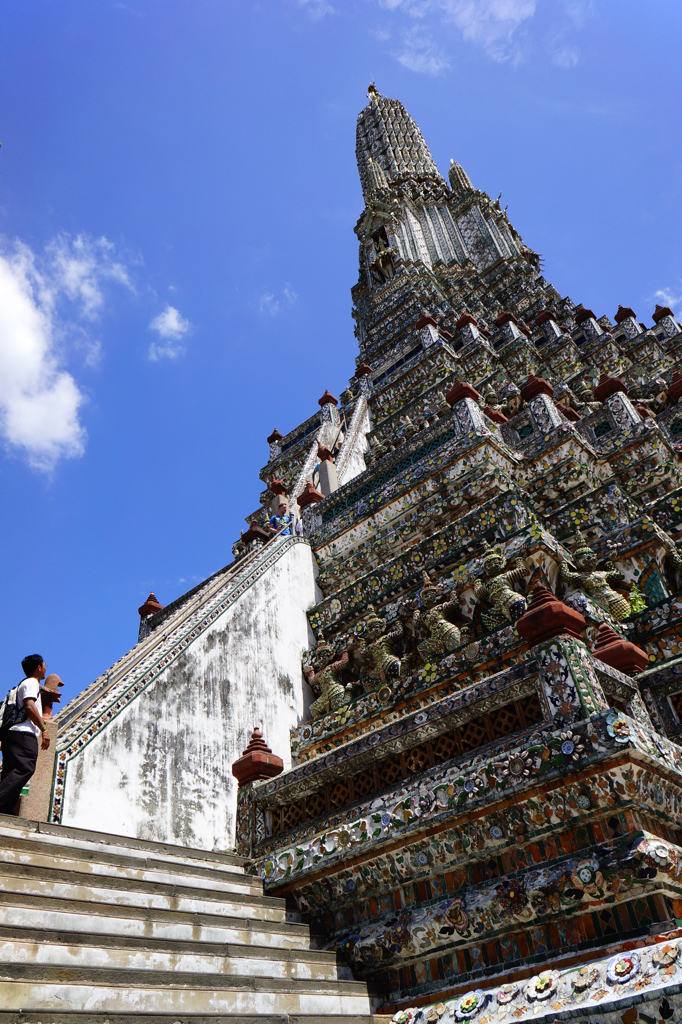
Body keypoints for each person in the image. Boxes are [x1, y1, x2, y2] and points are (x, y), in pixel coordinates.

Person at [0, 654, 50, 816]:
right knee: (25, 767)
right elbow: (29, 706)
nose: (45, 668)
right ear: (38, 668)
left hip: (12, 734)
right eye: (44, 665)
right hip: (23, 733)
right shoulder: (31, 682)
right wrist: (43, 728)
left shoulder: (24, 684)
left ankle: (5, 810)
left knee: (10, 771)